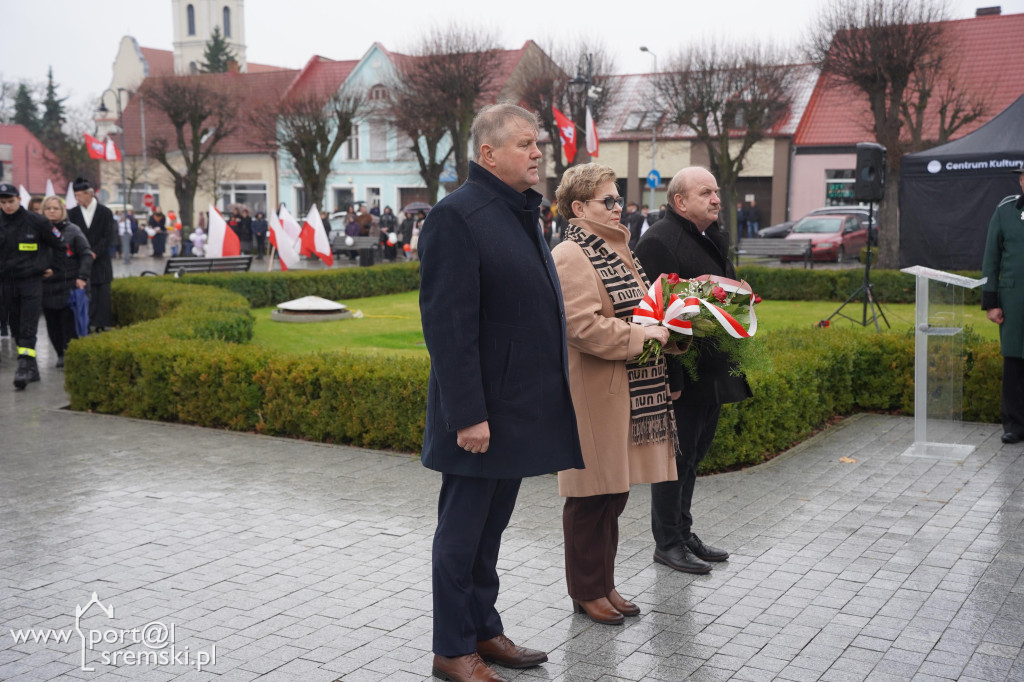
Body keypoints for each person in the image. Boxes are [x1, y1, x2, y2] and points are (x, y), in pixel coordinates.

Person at [418, 103, 584, 682]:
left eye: (537, 143)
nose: (537, 152)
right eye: (524, 144)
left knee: (491, 532)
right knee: (460, 537)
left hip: (516, 410)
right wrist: (467, 415)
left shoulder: (520, 212)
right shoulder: (457, 216)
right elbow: (448, 326)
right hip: (479, 417)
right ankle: (451, 648)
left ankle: (484, 631)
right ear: (488, 154)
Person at [551, 163, 678, 626]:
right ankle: (586, 591)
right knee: (590, 498)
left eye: (618, 199)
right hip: (595, 393)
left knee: (613, 495)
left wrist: (671, 329)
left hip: (624, 390)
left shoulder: (617, 249)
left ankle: (603, 583)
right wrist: (644, 337)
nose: (618, 207)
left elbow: (642, 312)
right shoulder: (571, 253)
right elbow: (580, 325)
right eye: (609, 200)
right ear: (579, 207)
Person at [635, 166, 753, 574]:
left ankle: (683, 532)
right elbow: (654, 318)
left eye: (717, 191)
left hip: (713, 370)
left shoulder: (707, 237)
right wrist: (672, 379)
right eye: (706, 192)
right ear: (679, 201)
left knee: (695, 455)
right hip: (682, 377)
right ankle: (667, 542)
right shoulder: (657, 243)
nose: (717, 199)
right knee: (675, 460)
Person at [0, 183, 64, 388]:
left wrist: (53, 267)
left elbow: (61, 245)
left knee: (28, 325)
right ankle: (32, 367)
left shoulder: (36, 221)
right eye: (3, 203)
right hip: (6, 282)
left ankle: (23, 366)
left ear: (19, 199)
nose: (7, 206)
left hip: (31, 281)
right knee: (15, 326)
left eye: (10, 201)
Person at [982, 166, 1024, 444]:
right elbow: (991, 257)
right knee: (1014, 362)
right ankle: (1014, 425)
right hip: (1014, 301)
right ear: (1021, 181)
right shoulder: (1005, 210)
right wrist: (991, 302)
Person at [40, 196, 92, 368]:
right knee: (52, 324)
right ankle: (60, 354)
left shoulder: (73, 230)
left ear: (62, 211)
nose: (52, 211)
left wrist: (82, 277)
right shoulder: (38, 231)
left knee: (68, 324)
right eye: (48, 208)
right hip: (46, 285)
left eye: (55, 208)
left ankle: (69, 354)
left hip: (68, 283)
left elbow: (85, 254)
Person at [67, 178, 116, 333]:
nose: (77, 199)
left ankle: (101, 324)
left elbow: (108, 237)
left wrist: (95, 252)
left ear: (90, 194)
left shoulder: (105, 212)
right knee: (85, 293)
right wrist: (84, 254)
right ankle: (85, 323)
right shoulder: (73, 213)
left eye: (80, 195)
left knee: (102, 293)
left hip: (100, 261)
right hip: (81, 262)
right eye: (75, 195)